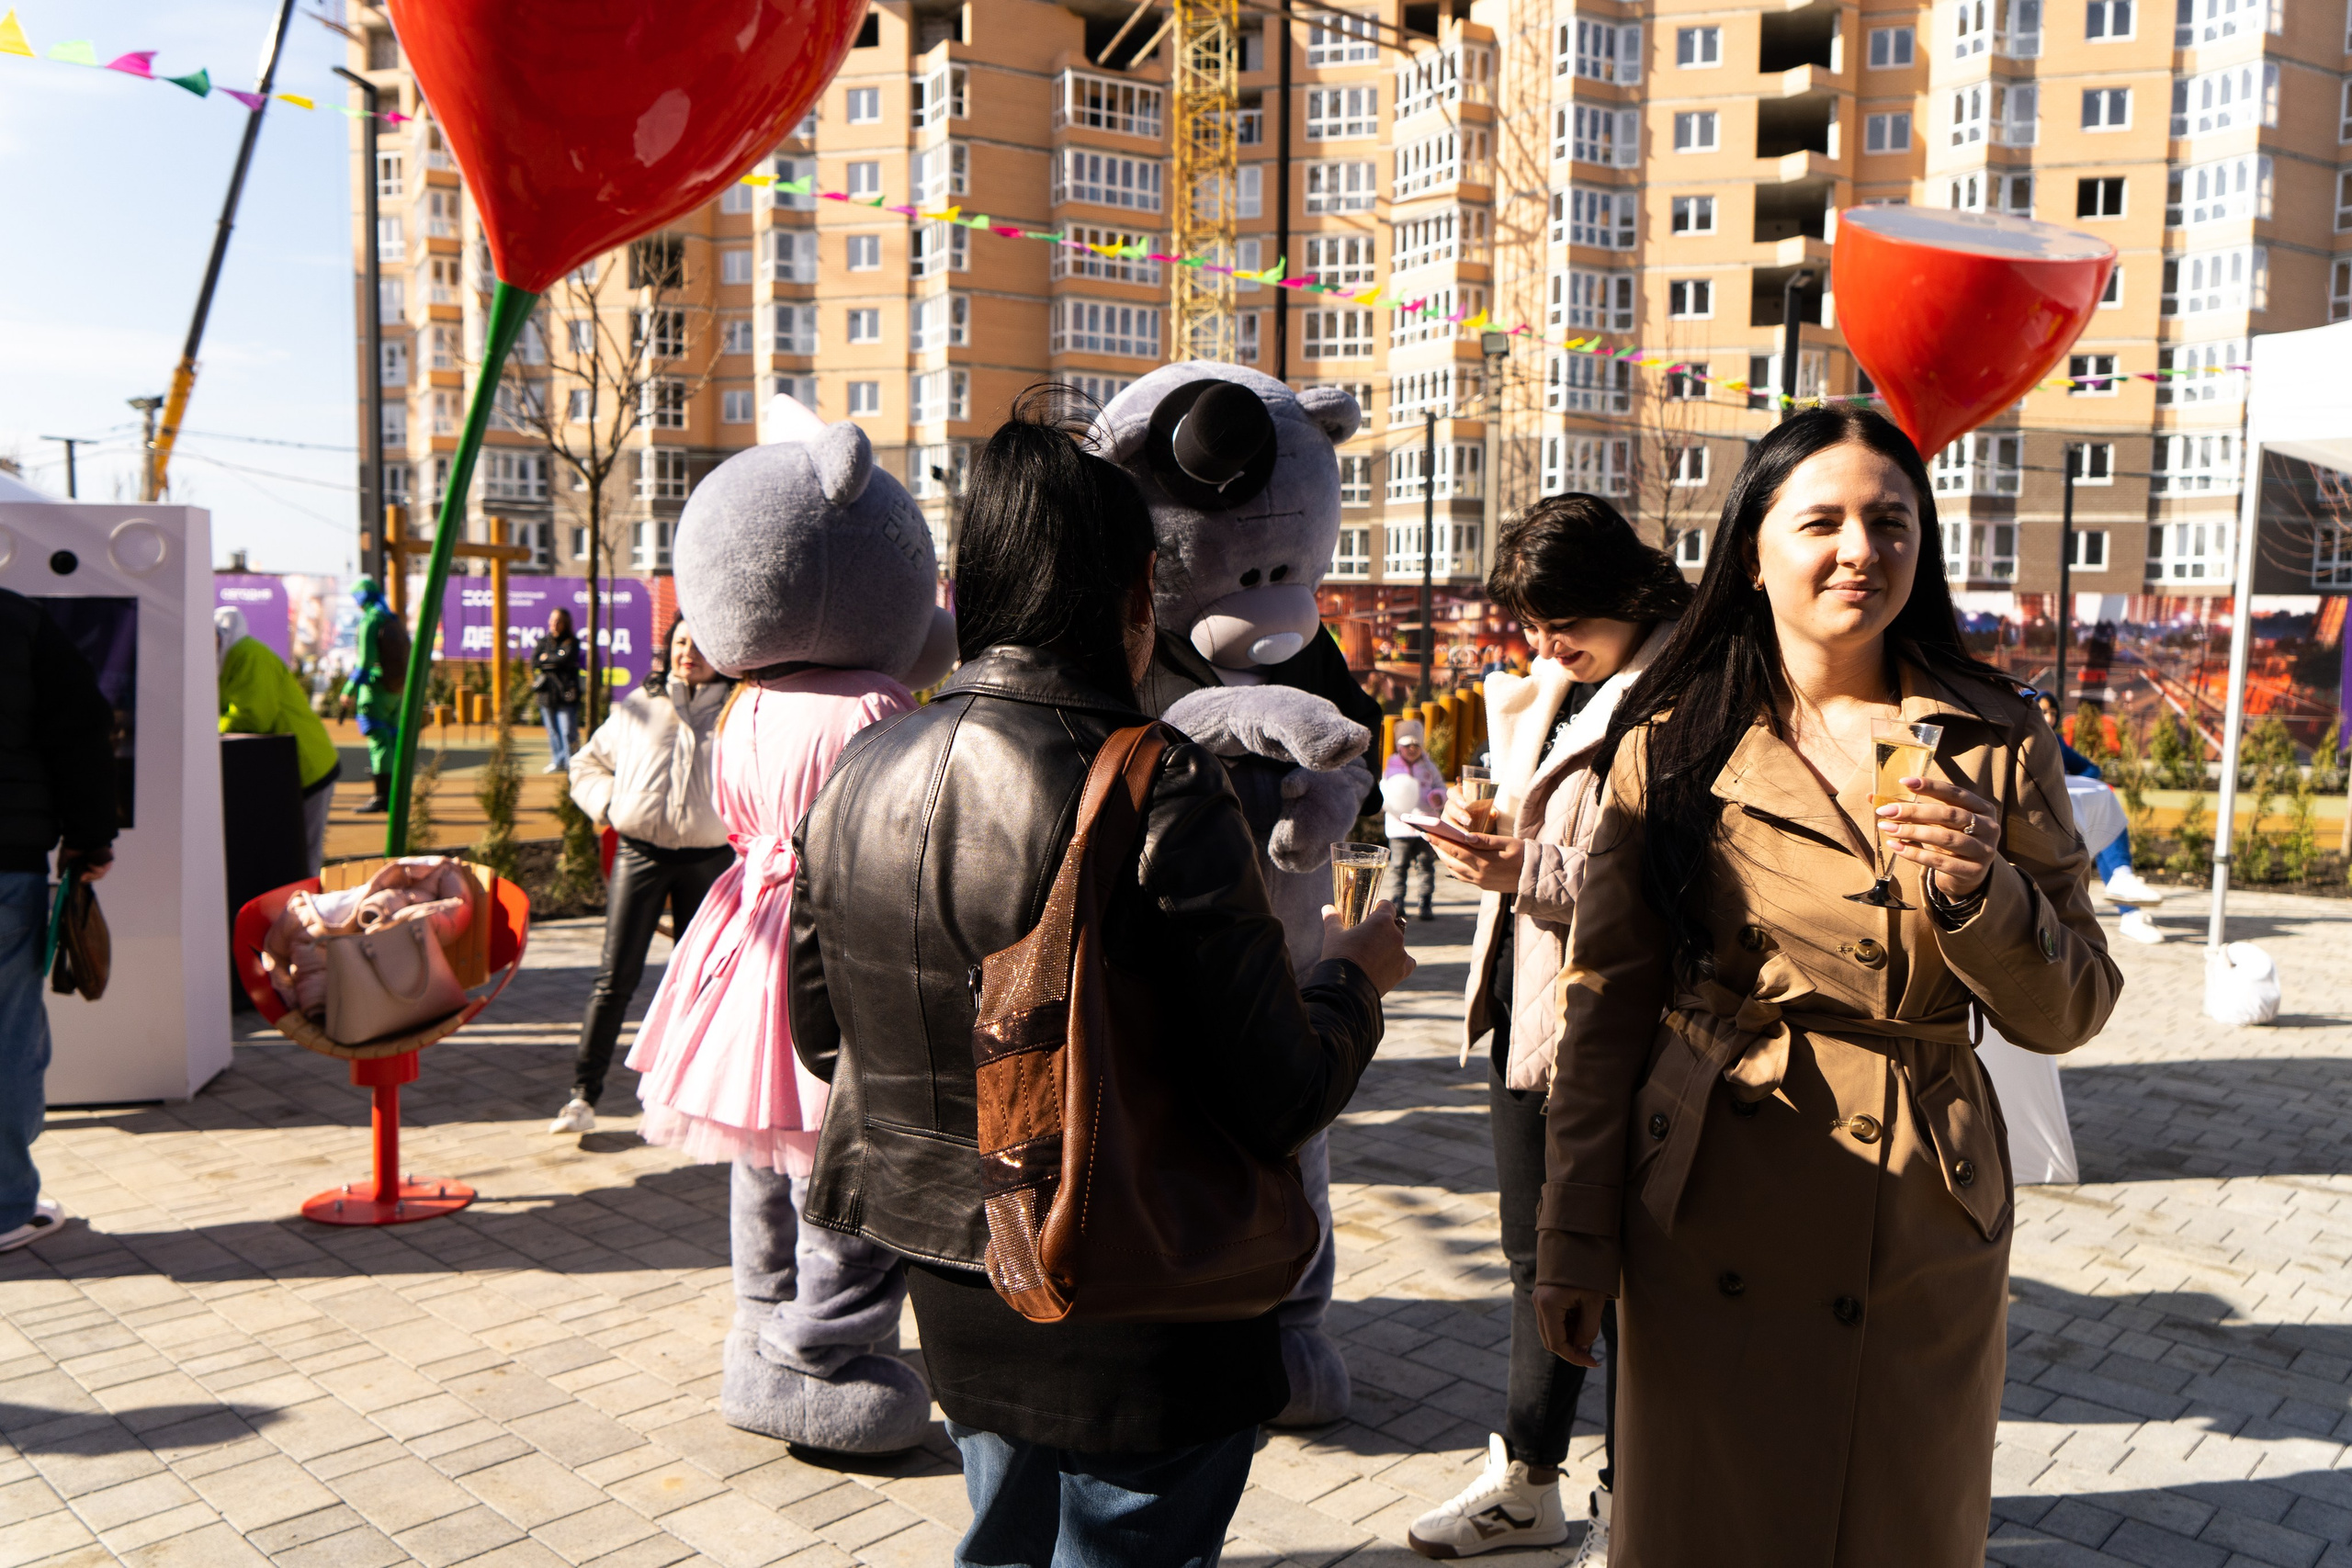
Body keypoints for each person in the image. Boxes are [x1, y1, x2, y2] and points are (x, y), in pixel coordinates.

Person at [786, 405, 1413, 1564]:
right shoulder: (1155, 779)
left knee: (1007, 1534)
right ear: (1136, 593)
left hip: (953, 1260)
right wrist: (1352, 979)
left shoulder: (860, 766)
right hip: (1138, 1284)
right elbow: (1279, 1092)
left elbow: (826, 1039)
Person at [1532, 407, 2121, 1566]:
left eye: (1889, 521)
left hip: (1919, 1208)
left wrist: (1979, 892)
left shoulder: (1995, 738)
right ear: (1753, 551)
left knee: (1894, 1526)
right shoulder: (1672, 736)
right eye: (1823, 521)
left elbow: (2071, 1008)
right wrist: (1570, 1236)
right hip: (1709, 1199)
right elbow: (1602, 1005)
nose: (1861, 549)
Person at [1403, 497, 1690, 1562]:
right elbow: (1563, 822)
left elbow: (1676, 871)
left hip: (1607, 1023)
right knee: (1536, 1263)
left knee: (1616, 1282)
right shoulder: (1576, 681)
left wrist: (1529, 871)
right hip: (1528, 1011)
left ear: (1621, 594)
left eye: (1556, 620)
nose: (1541, 645)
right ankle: (1528, 1482)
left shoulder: (1679, 688)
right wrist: (1502, 833)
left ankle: (1634, 1507)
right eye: (1529, 625)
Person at [548, 616, 733, 1134]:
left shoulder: (740, 712)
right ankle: (583, 1097)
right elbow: (585, 763)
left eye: (698, 644)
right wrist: (609, 805)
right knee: (615, 978)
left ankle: (688, 1100)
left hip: (710, 861)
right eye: (679, 642)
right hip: (639, 855)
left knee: (700, 983)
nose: (687, 652)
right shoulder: (640, 704)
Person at [0, 589, 119, 1253]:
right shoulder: (20, 624)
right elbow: (80, 729)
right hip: (4, 864)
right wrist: (88, 838)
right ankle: (5, 1204)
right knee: (7, 1038)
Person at [216, 606, 341, 874]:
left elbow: (253, 716)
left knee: (303, 853)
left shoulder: (247, 655)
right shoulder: (233, 657)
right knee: (295, 851)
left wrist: (208, 730)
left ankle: (306, 911)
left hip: (307, 764)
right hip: (293, 765)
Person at [2035, 692, 2165, 944]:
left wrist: (2070, 778)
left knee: (2105, 808)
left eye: (2052, 712)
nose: (2048, 717)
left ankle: (2126, 897)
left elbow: (2091, 768)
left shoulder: (2057, 741)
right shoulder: (2020, 738)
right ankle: (2124, 898)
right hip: (2034, 822)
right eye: (2042, 711)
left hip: (2063, 810)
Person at [1381, 719, 1445, 920]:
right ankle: (1398, 901)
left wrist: (1438, 797)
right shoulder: (1391, 765)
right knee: (1398, 866)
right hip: (1399, 827)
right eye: (1407, 745)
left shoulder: (1429, 766)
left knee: (1425, 865)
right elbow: (1384, 792)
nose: (1412, 749)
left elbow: (1441, 788)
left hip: (1424, 826)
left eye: (1416, 745)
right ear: (1400, 747)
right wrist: (1390, 805)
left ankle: (1425, 901)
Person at [349, 577, 403, 815]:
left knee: (379, 743)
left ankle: (381, 797)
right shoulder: (392, 619)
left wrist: (348, 690)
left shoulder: (370, 620)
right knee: (392, 742)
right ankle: (394, 796)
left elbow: (364, 662)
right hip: (395, 691)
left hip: (374, 691)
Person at [533, 607, 584, 774]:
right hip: (546, 694)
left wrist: (548, 658)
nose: (554, 624)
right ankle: (558, 761)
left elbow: (564, 656)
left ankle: (573, 763)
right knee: (553, 731)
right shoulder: (543, 642)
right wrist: (551, 658)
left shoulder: (571, 642)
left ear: (565, 623)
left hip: (567, 693)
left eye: (558, 621)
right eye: (552, 620)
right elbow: (534, 662)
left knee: (567, 729)